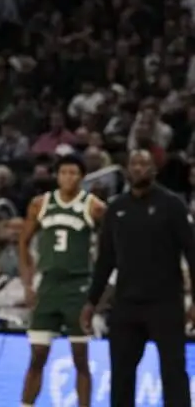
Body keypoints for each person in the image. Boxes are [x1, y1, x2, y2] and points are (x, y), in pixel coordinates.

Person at [82, 149, 195, 407]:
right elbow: (105, 260)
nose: (138, 168)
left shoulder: (172, 205)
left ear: (154, 170)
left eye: (144, 164)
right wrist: (91, 301)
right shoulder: (116, 208)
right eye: (134, 163)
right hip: (126, 304)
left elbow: (192, 253)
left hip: (165, 303)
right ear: (126, 169)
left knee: (173, 372)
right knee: (121, 374)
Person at [18, 154, 105, 407]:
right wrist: (27, 283)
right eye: (64, 172)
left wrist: (100, 287)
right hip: (47, 286)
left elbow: (110, 245)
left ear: (82, 177)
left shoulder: (95, 206)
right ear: (57, 176)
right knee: (37, 355)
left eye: (73, 173)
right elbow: (23, 242)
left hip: (78, 287)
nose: (68, 177)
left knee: (80, 358)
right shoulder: (40, 204)